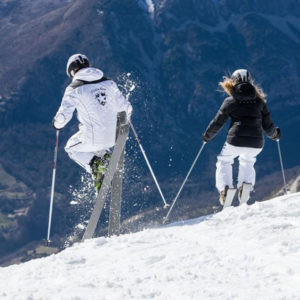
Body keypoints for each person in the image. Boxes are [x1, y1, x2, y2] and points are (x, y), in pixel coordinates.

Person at [53, 54, 132, 191]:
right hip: (114, 137)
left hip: (93, 138)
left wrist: (56, 124)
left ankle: (96, 167)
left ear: (72, 71)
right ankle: (105, 159)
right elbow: (126, 109)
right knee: (97, 146)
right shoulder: (109, 83)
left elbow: (63, 118)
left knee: (71, 148)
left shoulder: (74, 88)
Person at [202, 69, 280, 205]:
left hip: (235, 141)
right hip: (256, 143)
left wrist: (207, 137)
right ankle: (245, 186)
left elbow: (217, 122)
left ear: (233, 82)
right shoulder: (260, 102)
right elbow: (268, 127)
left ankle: (225, 190)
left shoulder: (230, 101)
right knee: (248, 160)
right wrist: (275, 135)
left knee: (224, 160)